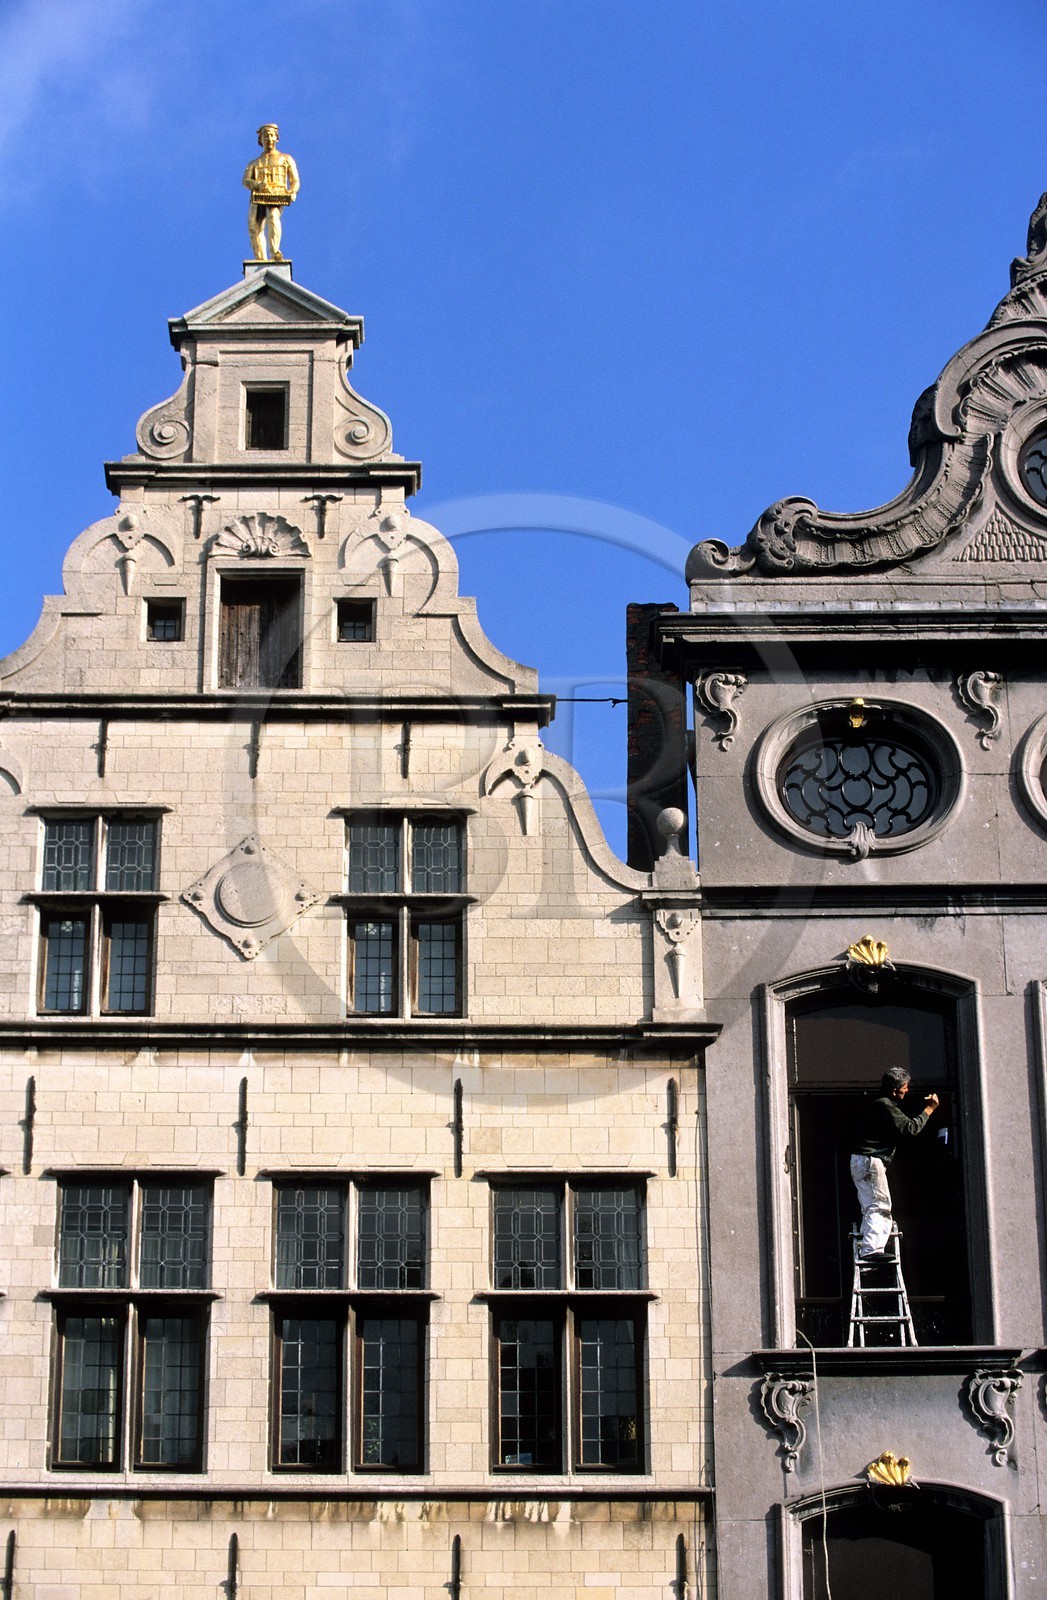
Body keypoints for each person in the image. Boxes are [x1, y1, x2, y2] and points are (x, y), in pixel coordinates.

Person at [850, 1066, 939, 1264]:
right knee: (880, 1205)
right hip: (870, 1161)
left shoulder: (878, 1104)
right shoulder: (885, 1105)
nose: (907, 1090)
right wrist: (930, 1109)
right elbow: (910, 1128)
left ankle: (866, 1242)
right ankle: (871, 1250)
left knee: (869, 1204)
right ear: (894, 1089)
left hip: (861, 1160)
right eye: (904, 1087)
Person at [243, 124, 300, 262]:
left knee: (273, 216)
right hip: (258, 195)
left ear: (276, 138)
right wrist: (257, 184)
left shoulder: (285, 158)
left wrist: (293, 191)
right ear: (260, 140)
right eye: (265, 135)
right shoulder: (255, 163)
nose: (268, 138)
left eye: (271, 135)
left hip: (277, 193)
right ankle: (260, 258)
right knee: (254, 226)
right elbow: (246, 180)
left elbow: (295, 180)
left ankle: (274, 251)